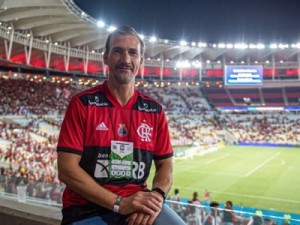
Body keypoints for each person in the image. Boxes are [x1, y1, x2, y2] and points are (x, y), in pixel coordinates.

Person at [56, 25, 186, 225]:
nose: (126, 59)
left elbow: (165, 165)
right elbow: (66, 169)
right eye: (118, 51)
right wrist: (119, 203)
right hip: (86, 210)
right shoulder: (83, 104)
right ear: (105, 57)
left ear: (141, 62)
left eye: (133, 53)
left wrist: (157, 197)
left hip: (138, 206)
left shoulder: (154, 111)